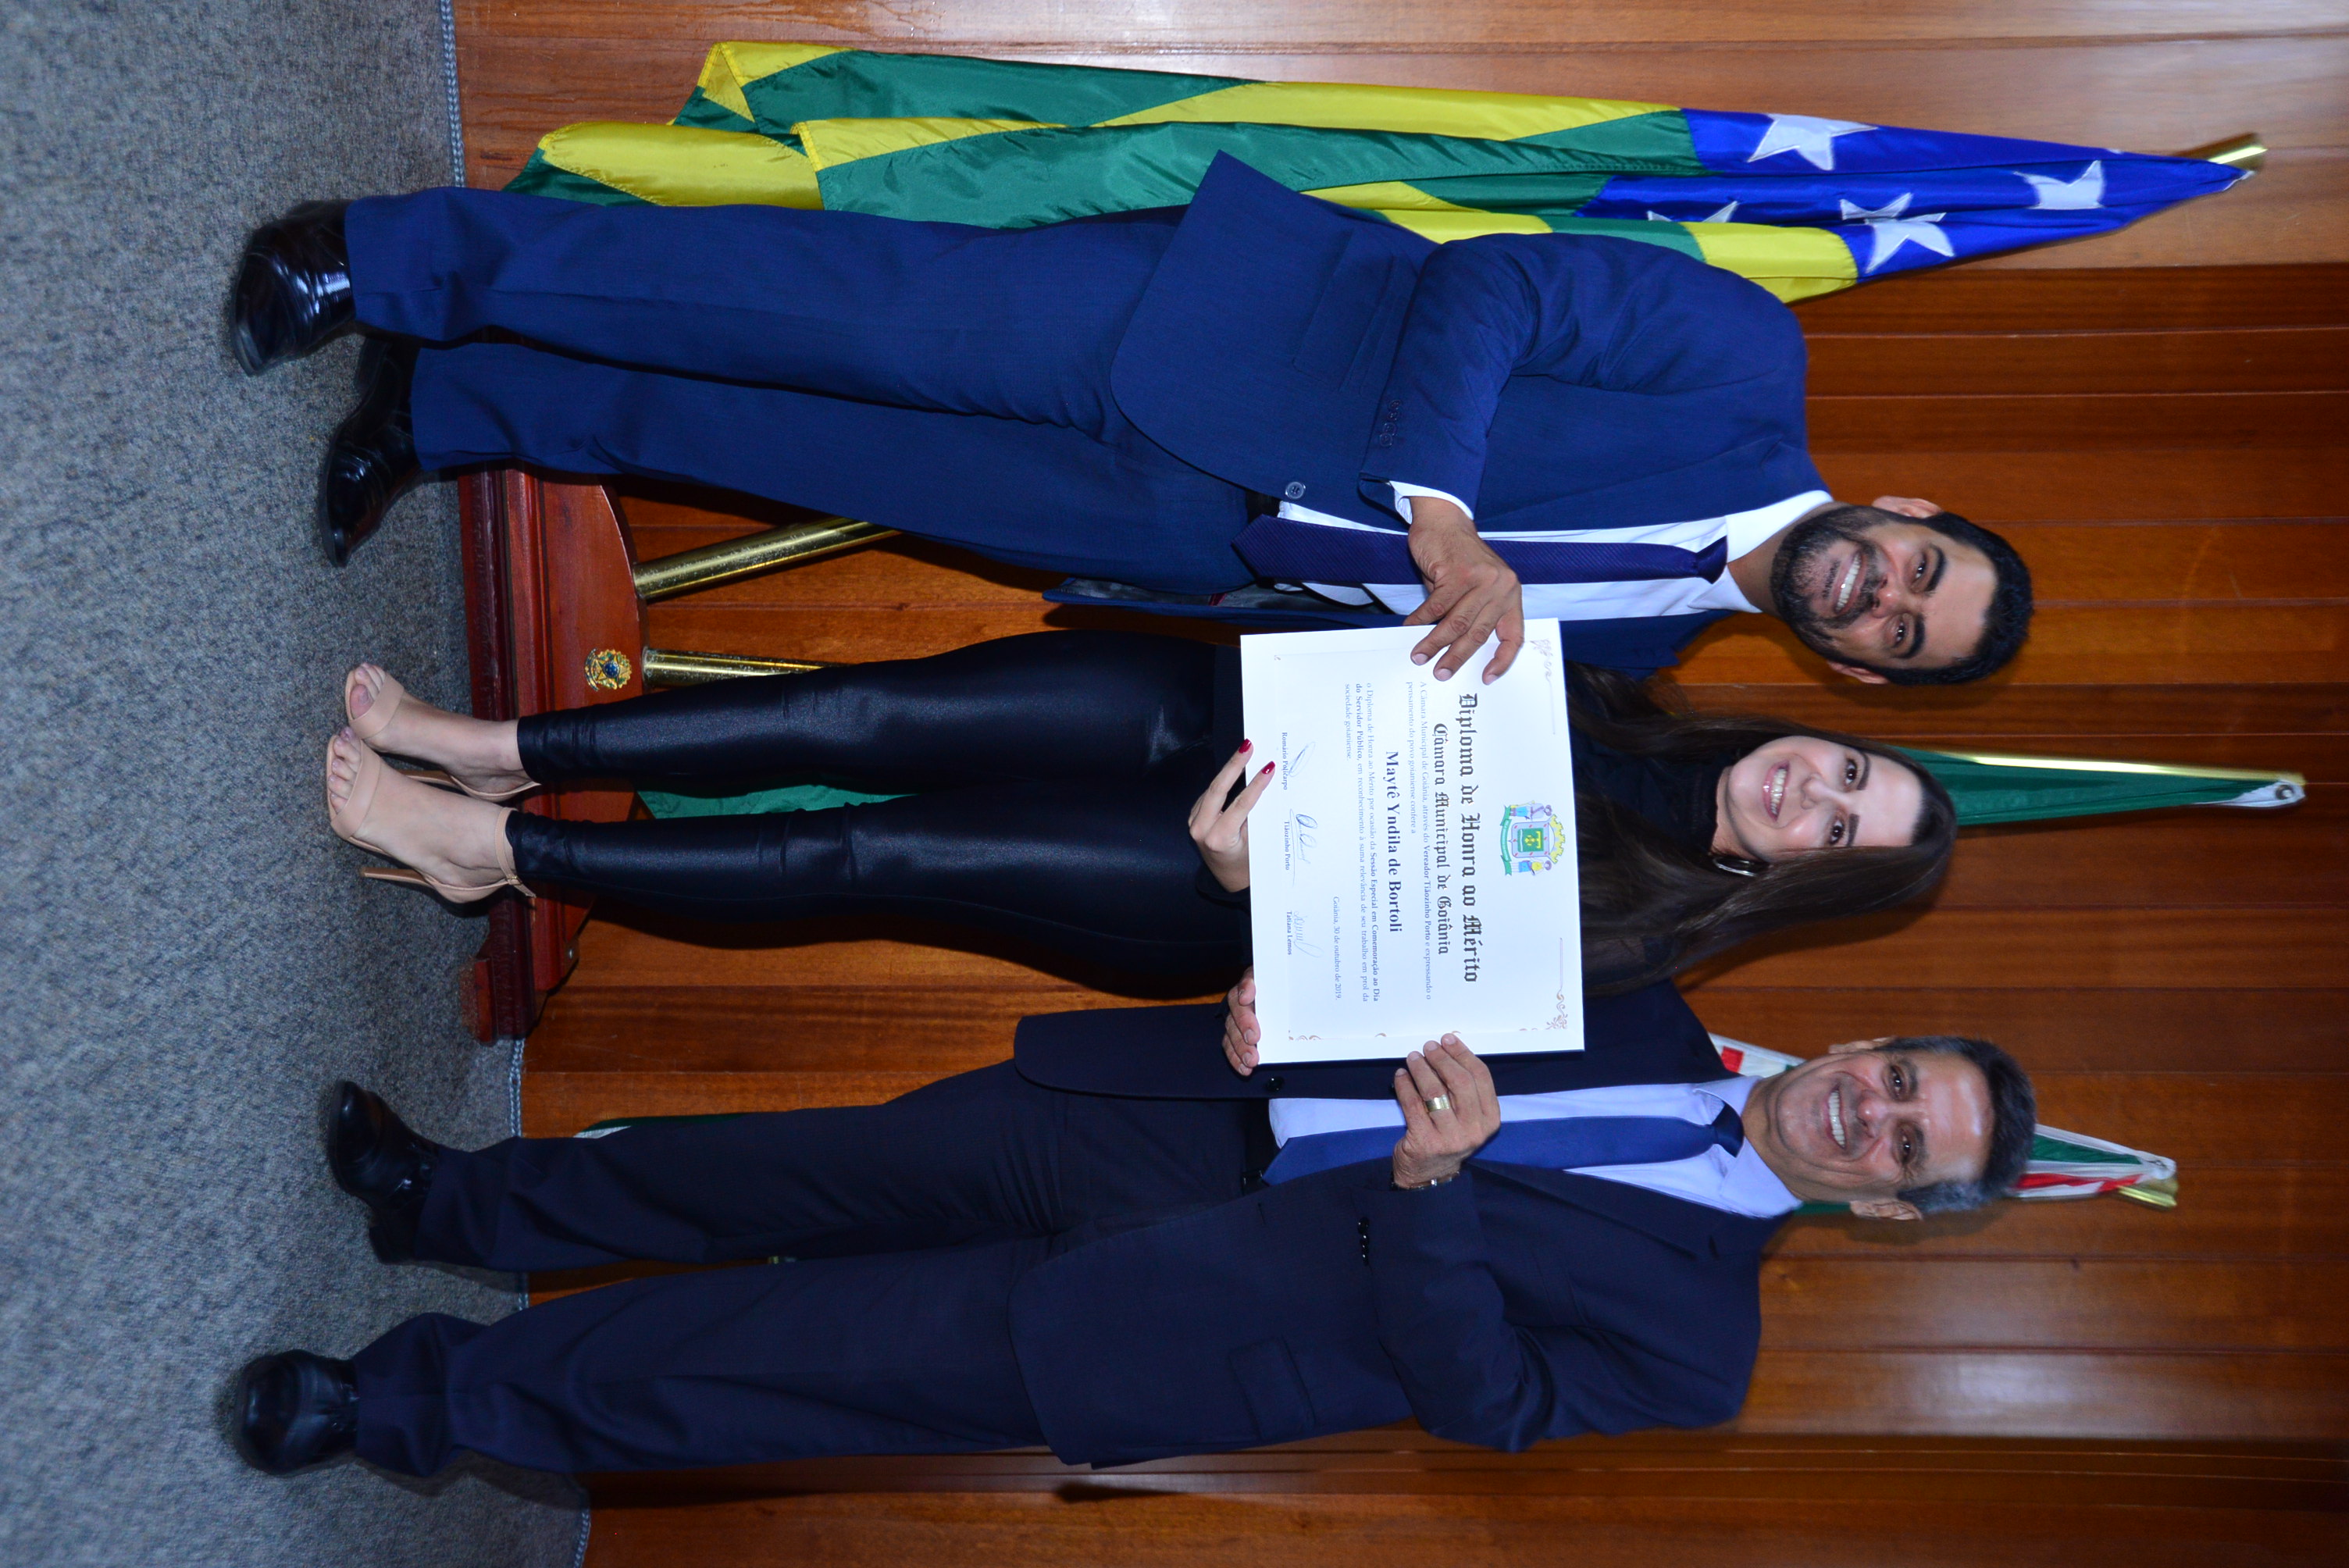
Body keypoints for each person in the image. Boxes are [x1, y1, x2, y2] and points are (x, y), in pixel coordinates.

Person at [230, 153, 2032, 686]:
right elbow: (1494, 287)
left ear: (1860, 672)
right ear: (1908, 505)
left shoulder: (1642, 655)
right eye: (1916, 568)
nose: (1880, 592)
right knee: (798, 304)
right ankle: (378, 256)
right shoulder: (1744, 362)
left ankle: (449, 406)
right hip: (1204, 334)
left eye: (1899, 630)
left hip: (1169, 532)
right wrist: (1443, 511)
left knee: (781, 445)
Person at [229, 978, 2035, 1477]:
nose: (1867, 1108)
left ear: (1887, 1202)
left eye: (1902, 1141)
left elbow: (1486, 1401)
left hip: (1187, 1319)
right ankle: (446, 1196)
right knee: (775, 1168)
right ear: (1865, 1043)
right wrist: (1284, 982)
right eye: (1897, 1076)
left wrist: (1428, 1194)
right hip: (1163, 1115)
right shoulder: (1647, 1005)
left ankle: (404, 1405)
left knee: (767, 1357)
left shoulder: (1700, 1350)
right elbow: (1404, 961)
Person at [322, 630, 1954, 987]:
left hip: (1199, 885)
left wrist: (1254, 889)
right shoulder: (1623, 677)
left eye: (1838, 833)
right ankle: (502, 746)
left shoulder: (1637, 946)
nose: (1814, 792)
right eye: (1849, 771)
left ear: (1805, 881)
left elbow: (1380, 1008)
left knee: (867, 847)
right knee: (853, 711)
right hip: (1203, 697)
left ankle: (499, 854)